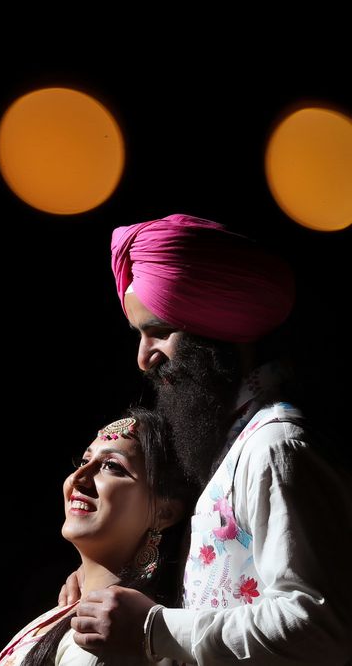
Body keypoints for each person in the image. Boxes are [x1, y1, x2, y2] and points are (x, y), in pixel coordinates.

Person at [62, 213, 352, 664]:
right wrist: (101, 580)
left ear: (213, 331)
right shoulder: (232, 447)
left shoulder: (276, 446)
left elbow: (320, 624)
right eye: (140, 335)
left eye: (159, 332)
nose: (144, 358)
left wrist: (153, 628)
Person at [0, 407, 197, 666]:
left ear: (164, 512)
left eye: (111, 466)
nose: (78, 478)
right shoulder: (82, 615)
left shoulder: (107, 638)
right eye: (83, 461)